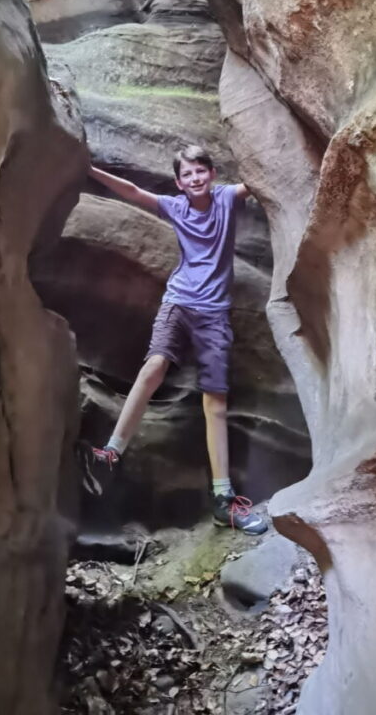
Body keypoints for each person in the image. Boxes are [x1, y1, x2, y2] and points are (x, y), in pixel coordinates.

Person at [80, 144, 267, 535]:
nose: (195, 178)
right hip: (179, 302)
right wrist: (89, 169)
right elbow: (132, 192)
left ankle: (223, 500)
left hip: (214, 312)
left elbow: (259, 180)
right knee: (154, 367)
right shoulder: (176, 207)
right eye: (187, 175)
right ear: (179, 183)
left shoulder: (227, 198)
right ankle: (111, 452)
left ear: (212, 174)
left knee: (215, 401)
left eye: (201, 171)